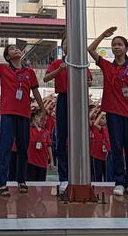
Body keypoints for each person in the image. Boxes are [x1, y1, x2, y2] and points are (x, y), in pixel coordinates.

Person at [0, 32, 45, 197]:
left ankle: (21, 180)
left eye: (17, 48)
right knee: (5, 149)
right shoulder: (3, 69)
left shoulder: (29, 73)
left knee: (23, 149)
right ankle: (2, 183)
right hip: (8, 115)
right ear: (8, 56)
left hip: (24, 115)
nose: (16, 49)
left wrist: (43, 109)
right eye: (12, 49)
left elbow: (36, 91)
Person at [88, 27, 128, 197]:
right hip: (112, 114)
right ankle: (119, 182)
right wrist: (103, 35)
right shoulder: (106, 66)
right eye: (113, 45)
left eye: (119, 44)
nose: (116, 47)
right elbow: (90, 50)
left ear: (126, 48)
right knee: (117, 148)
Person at [43, 36, 92, 194]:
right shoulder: (57, 63)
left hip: (78, 99)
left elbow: (89, 81)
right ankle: (63, 178)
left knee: (79, 139)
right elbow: (46, 78)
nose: (67, 46)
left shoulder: (81, 62)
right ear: (62, 46)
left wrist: (86, 81)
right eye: (65, 43)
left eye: (70, 42)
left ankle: (80, 175)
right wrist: (60, 70)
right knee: (62, 138)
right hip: (64, 99)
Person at [27, 108, 53, 181]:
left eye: (45, 121)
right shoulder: (29, 130)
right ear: (35, 117)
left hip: (43, 164)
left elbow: (49, 146)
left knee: (41, 185)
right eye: (42, 119)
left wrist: (51, 161)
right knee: (30, 184)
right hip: (31, 162)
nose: (44, 122)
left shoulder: (46, 132)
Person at [90, 109, 110, 182]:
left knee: (107, 176)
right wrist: (101, 113)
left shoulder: (107, 129)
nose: (102, 120)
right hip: (97, 156)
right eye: (101, 118)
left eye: (104, 118)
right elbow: (95, 123)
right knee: (97, 177)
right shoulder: (96, 128)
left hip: (106, 157)